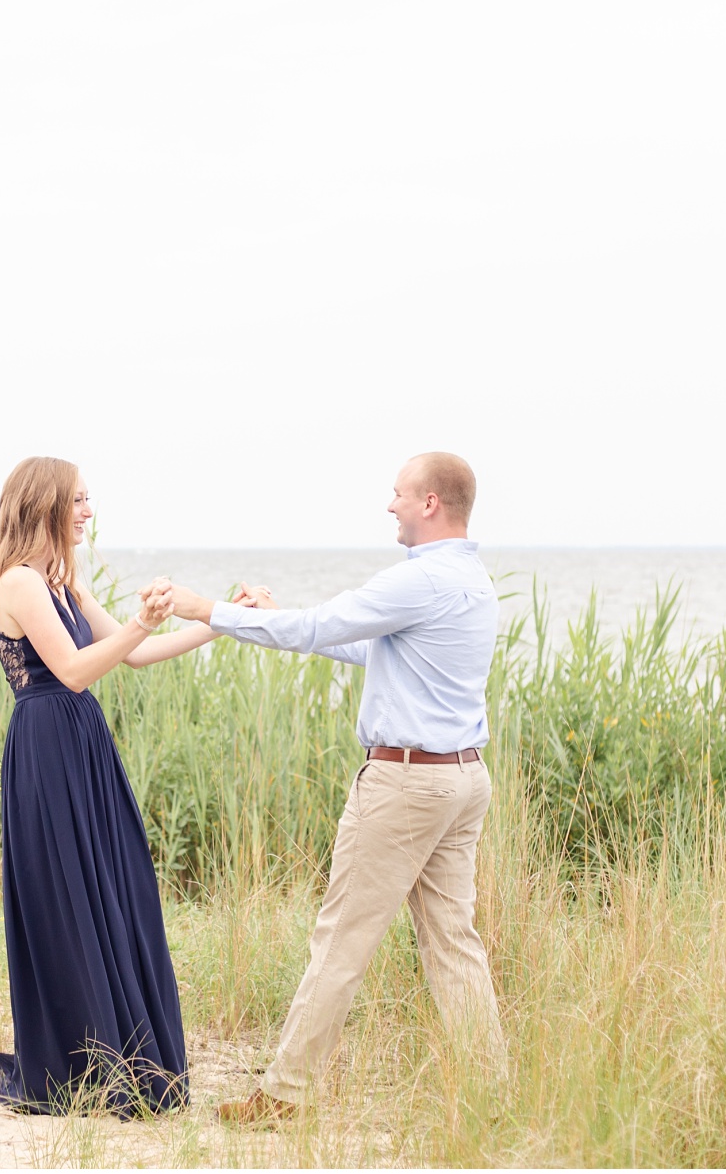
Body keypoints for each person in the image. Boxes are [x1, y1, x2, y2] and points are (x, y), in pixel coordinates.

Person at [162, 451, 508, 1125]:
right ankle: (490, 1096)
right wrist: (276, 613)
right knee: (453, 943)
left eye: (398, 493)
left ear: (430, 501)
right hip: (460, 779)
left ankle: (285, 1093)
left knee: (342, 937)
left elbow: (323, 628)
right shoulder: (470, 579)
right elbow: (367, 646)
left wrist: (211, 610)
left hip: (407, 784)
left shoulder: (422, 580)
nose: (390, 504)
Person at [0, 455, 235, 1116]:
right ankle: (83, 1064)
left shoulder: (63, 580)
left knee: (112, 886)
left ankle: (122, 1048)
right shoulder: (22, 583)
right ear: (46, 505)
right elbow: (72, 669)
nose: (88, 511)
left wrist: (223, 620)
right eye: (79, 500)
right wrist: (141, 623)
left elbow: (134, 652)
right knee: (68, 895)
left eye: (90, 500)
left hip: (82, 741)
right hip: (46, 744)